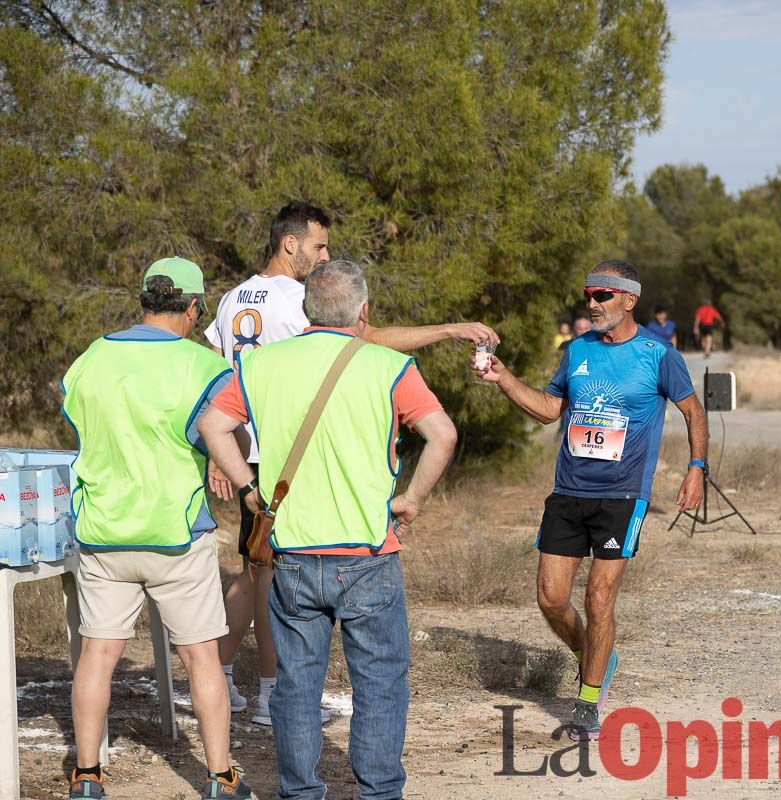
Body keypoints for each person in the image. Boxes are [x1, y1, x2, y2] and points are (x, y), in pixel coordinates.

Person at [205, 201, 497, 726]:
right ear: (289, 244)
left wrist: (221, 459)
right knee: (276, 580)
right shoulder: (299, 297)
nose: (325, 258)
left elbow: (216, 367)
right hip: (291, 471)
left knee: (252, 573)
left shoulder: (232, 298)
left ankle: (223, 678)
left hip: (251, 454)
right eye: (319, 246)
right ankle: (273, 692)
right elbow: (363, 341)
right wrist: (451, 330)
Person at [200, 259, 457, 800]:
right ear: (363, 312)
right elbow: (443, 436)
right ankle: (380, 792)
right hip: (368, 552)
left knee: (295, 687)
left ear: (305, 310)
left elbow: (212, 426)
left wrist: (249, 489)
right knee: (381, 685)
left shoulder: (263, 365)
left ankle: (299, 792)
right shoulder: (390, 367)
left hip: (292, 553)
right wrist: (410, 500)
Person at [474, 259, 707, 739]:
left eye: (603, 295)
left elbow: (693, 412)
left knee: (599, 597)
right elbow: (547, 409)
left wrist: (696, 469)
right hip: (568, 492)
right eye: (589, 294)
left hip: (623, 496)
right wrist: (504, 379)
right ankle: (596, 655)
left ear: (629, 300)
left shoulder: (658, 354)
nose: (592, 303)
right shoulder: (577, 349)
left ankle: (587, 701)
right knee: (551, 599)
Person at [61, 258, 252, 799]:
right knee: (202, 657)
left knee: (98, 654)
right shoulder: (201, 366)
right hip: (175, 532)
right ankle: (218, 777)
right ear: (193, 307)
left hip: (104, 530)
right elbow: (227, 437)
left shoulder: (91, 358)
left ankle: (88, 775)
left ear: (145, 299)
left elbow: (77, 418)